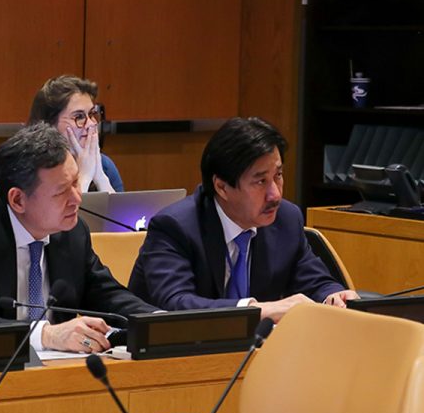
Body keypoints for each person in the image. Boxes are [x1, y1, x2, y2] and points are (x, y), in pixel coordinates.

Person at [0, 123, 156, 352]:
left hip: (62, 369)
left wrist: (158, 320)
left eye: (76, 182)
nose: (77, 198)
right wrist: (43, 334)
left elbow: (106, 294)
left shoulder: (72, 231)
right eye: (62, 191)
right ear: (18, 200)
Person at [128, 117, 359, 322]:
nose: (275, 194)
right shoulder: (175, 227)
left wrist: (332, 295)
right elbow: (176, 303)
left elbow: (314, 281)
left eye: (278, 176)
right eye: (260, 181)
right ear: (222, 187)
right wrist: (258, 309)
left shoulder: (286, 219)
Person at [28, 75, 123, 193]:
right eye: (79, 116)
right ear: (49, 124)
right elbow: (68, 205)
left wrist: (100, 177)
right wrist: (84, 177)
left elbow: (118, 206)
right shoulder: (32, 170)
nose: (91, 124)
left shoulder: (104, 164)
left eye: (91, 114)